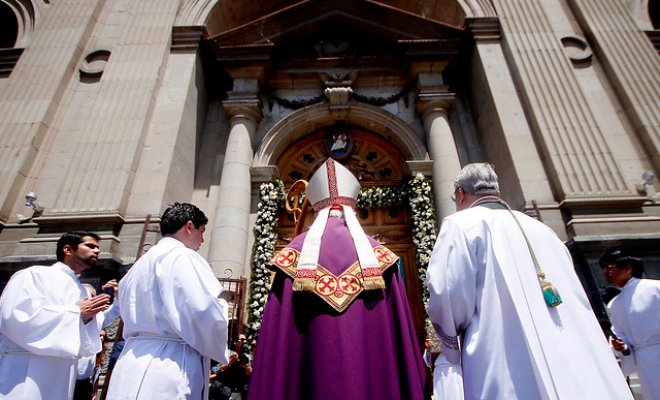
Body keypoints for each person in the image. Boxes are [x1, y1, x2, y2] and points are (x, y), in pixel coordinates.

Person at [426, 163, 633, 400]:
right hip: (567, 346)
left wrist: (449, 348)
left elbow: (448, 292)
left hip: (501, 348)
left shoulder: (461, 223)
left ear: (461, 194)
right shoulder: (543, 229)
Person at [248, 158, 426, 400]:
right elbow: (401, 342)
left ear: (316, 208)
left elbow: (278, 345)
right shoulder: (381, 260)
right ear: (352, 207)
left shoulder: (292, 258)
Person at [105, 202, 229, 400]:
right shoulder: (184, 256)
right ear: (189, 227)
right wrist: (222, 306)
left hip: (131, 359)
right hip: (168, 363)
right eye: (202, 231)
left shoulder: (138, 265)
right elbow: (203, 310)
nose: (203, 239)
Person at [0, 231, 110, 399]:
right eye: (90, 246)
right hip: (28, 366)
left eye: (98, 247)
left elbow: (85, 342)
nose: (97, 251)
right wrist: (75, 313)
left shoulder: (81, 289)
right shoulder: (34, 275)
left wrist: (87, 319)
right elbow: (14, 317)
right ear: (68, 250)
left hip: (63, 370)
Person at [600, 249, 660, 400]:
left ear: (628, 268)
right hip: (644, 362)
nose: (606, 272)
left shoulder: (655, 288)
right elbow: (620, 334)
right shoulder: (615, 303)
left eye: (610, 267)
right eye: (604, 268)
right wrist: (622, 346)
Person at [74, 281, 120, 400]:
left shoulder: (98, 318)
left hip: (85, 380)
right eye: (86, 297)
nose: (89, 300)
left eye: (93, 297)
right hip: (66, 377)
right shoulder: (68, 316)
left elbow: (116, 309)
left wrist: (117, 294)